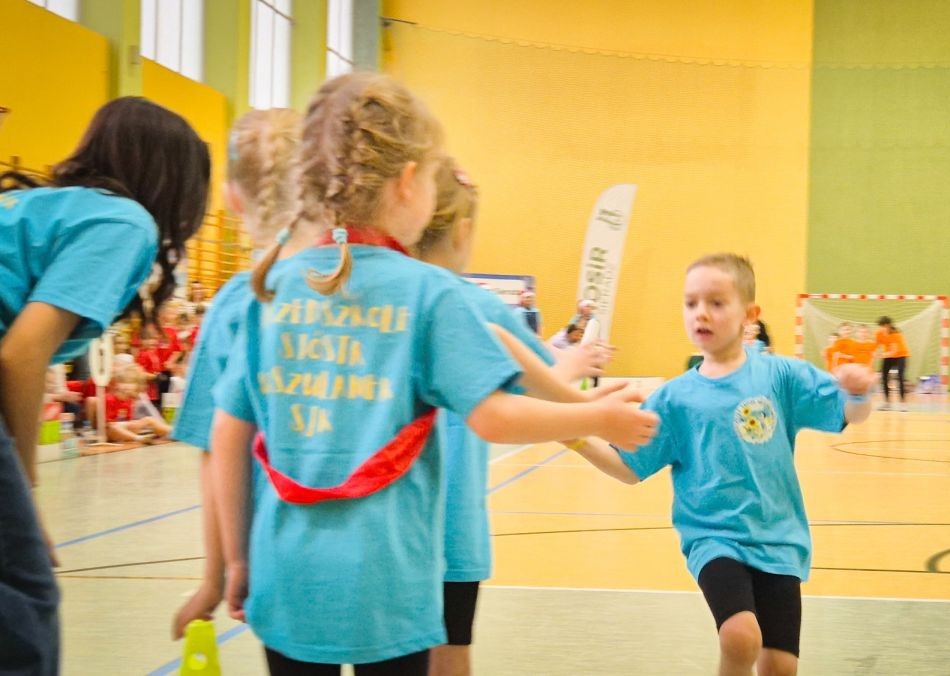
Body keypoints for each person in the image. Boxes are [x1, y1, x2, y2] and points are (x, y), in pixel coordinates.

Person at [208, 73, 658, 674]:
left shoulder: (268, 289)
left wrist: (238, 560)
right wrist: (594, 416)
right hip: (389, 587)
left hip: (284, 577)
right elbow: (494, 417)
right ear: (408, 182)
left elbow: (228, 434)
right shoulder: (429, 293)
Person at [568, 254, 872, 676]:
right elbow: (628, 468)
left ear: (750, 314)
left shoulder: (780, 375)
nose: (701, 313)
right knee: (740, 636)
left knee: (780, 666)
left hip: (780, 539)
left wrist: (858, 394)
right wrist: (573, 435)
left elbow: (847, 414)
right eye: (691, 303)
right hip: (714, 538)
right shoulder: (674, 399)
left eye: (716, 302)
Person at [0, 96, 209, 674]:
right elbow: (20, 355)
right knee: (22, 602)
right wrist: (28, 491)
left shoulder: (43, 205)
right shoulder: (123, 222)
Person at [414, 160, 620, 675]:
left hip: (392, 526)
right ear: (463, 232)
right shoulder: (476, 308)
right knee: (452, 654)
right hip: (452, 526)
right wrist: (589, 397)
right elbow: (543, 382)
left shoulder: (385, 299)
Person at [171, 108, 315, 639]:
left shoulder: (237, 304)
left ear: (232, 199)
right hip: (385, 558)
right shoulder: (371, 286)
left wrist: (216, 577)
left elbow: (217, 451)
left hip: (275, 555)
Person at [875, 317, 910, 412]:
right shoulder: (879, 333)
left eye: (883, 326)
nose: (881, 328)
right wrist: (870, 352)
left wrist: (881, 355)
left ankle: (903, 404)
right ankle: (887, 403)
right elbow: (875, 345)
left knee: (900, 377)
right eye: (880, 326)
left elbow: (894, 351)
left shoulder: (896, 334)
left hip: (901, 356)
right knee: (884, 377)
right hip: (888, 356)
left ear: (888, 325)